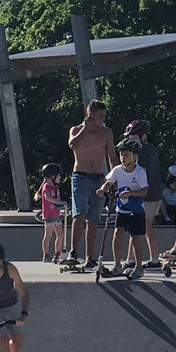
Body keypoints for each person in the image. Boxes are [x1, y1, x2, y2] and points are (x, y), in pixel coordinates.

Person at [67, 100, 119, 268]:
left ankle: (90, 257)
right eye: (100, 116)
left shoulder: (106, 133)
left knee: (93, 219)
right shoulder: (76, 130)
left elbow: (112, 157)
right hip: (80, 177)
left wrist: (114, 180)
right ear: (90, 114)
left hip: (98, 178)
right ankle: (73, 251)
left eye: (104, 116)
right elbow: (73, 145)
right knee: (79, 213)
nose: (102, 119)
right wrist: (85, 128)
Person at [96, 136, 149, 279]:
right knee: (117, 233)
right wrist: (102, 190)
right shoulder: (118, 170)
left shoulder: (139, 172)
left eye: (126, 155)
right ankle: (117, 264)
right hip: (122, 209)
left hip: (136, 211)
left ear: (134, 156)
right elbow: (108, 183)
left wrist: (130, 193)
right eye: (121, 154)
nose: (123, 158)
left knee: (135, 238)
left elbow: (144, 191)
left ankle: (138, 267)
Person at [124, 119, 162, 270]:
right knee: (145, 228)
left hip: (145, 195)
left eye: (133, 138)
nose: (131, 141)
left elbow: (141, 174)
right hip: (154, 194)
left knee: (138, 228)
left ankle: (143, 260)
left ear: (143, 137)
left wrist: (131, 191)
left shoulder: (143, 152)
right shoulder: (151, 149)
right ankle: (137, 259)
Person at [36, 163, 69, 262]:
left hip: (56, 215)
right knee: (48, 236)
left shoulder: (56, 188)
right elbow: (47, 197)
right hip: (49, 216)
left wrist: (62, 206)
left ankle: (57, 254)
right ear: (52, 176)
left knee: (60, 235)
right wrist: (59, 202)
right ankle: (46, 255)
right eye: (58, 176)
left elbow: (58, 200)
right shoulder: (46, 186)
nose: (60, 178)